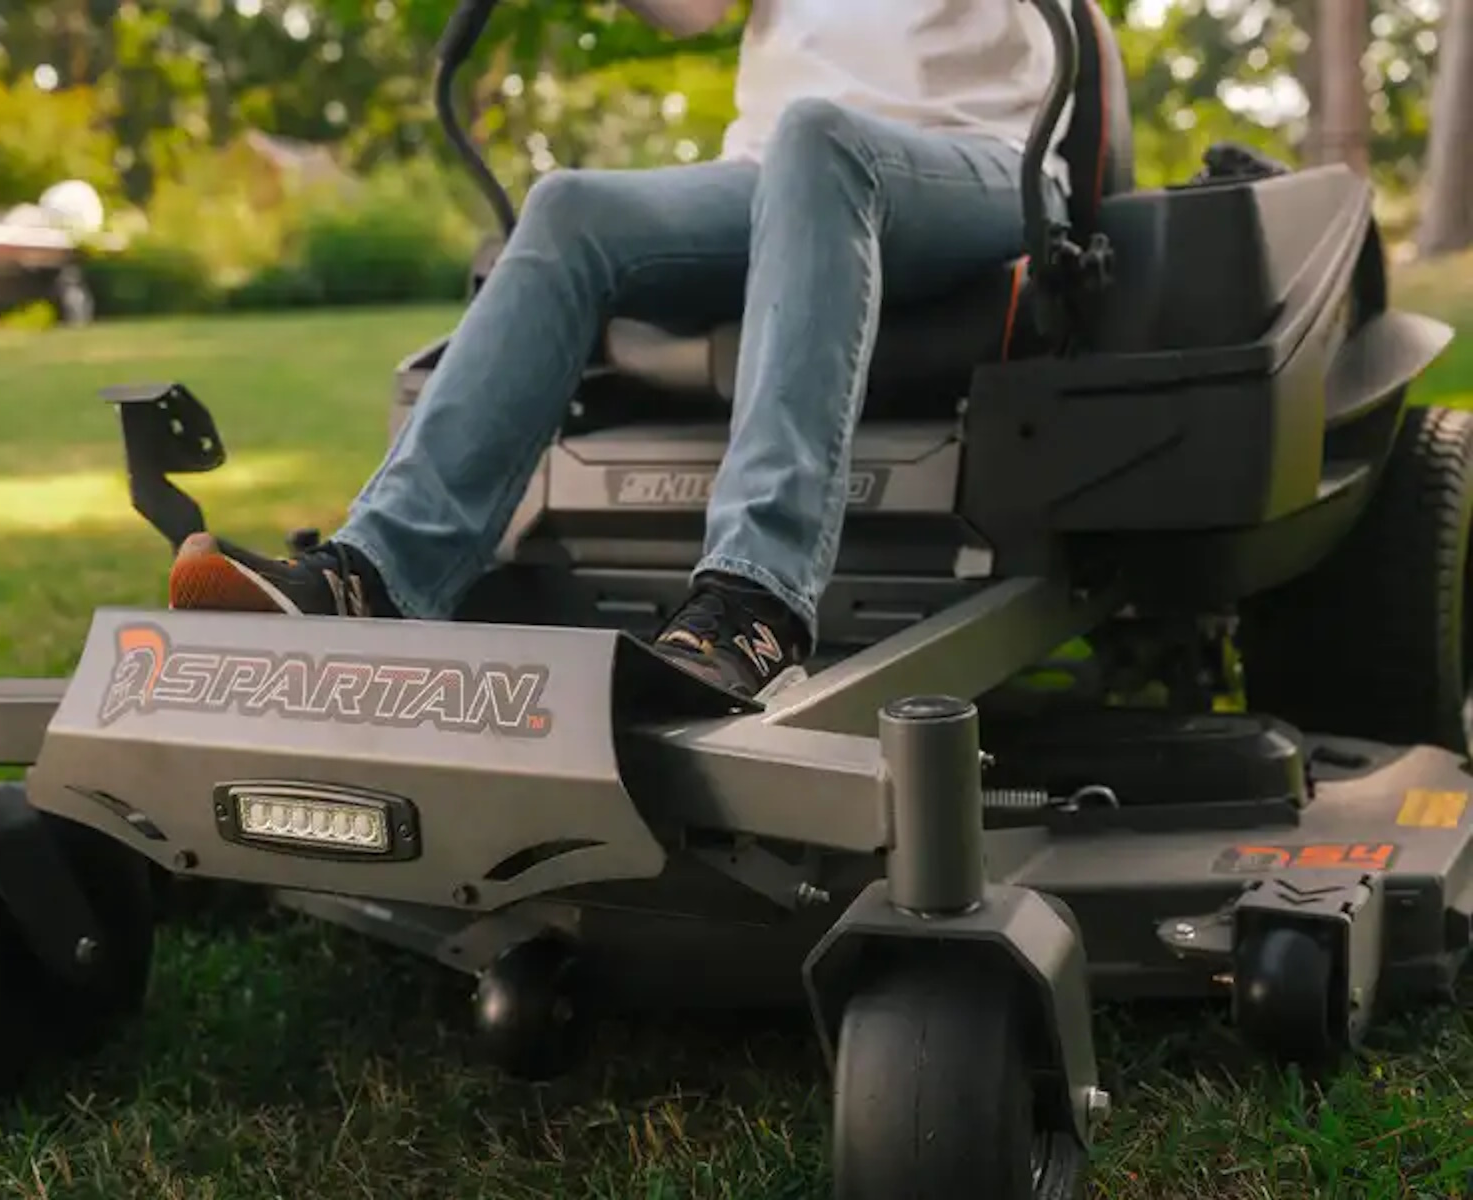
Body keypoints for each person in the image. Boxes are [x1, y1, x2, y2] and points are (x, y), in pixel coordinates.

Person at [168, 0, 1073, 700]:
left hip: (987, 158)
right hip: (774, 177)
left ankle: (754, 606)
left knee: (818, 134)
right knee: (571, 209)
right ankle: (377, 575)